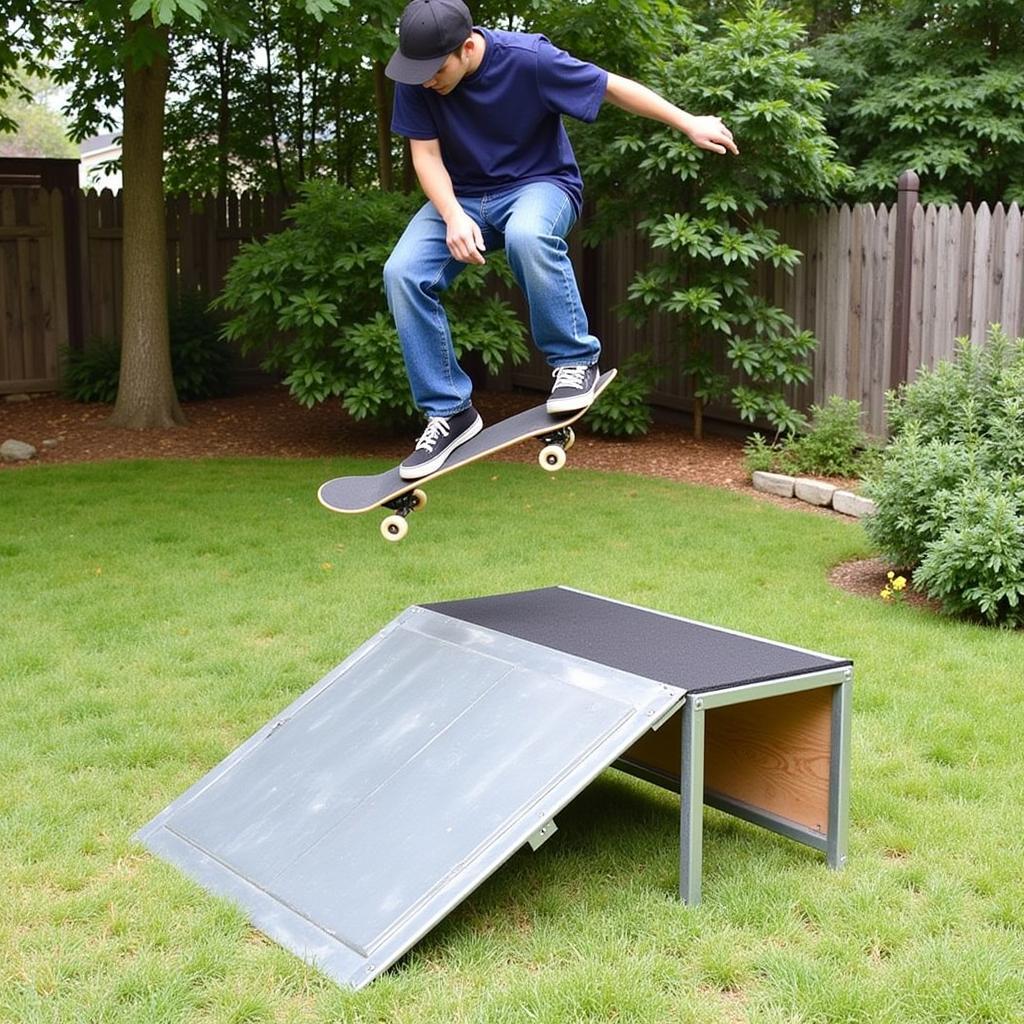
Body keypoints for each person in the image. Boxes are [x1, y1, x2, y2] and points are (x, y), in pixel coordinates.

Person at [384, 0, 738, 480]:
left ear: (468, 47)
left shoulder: (529, 59)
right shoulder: (418, 79)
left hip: (540, 186)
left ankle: (574, 362)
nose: (427, 80)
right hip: (461, 197)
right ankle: (449, 413)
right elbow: (425, 155)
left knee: (528, 235)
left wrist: (687, 121)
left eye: (435, 69)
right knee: (402, 272)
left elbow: (610, 86)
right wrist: (451, 214)